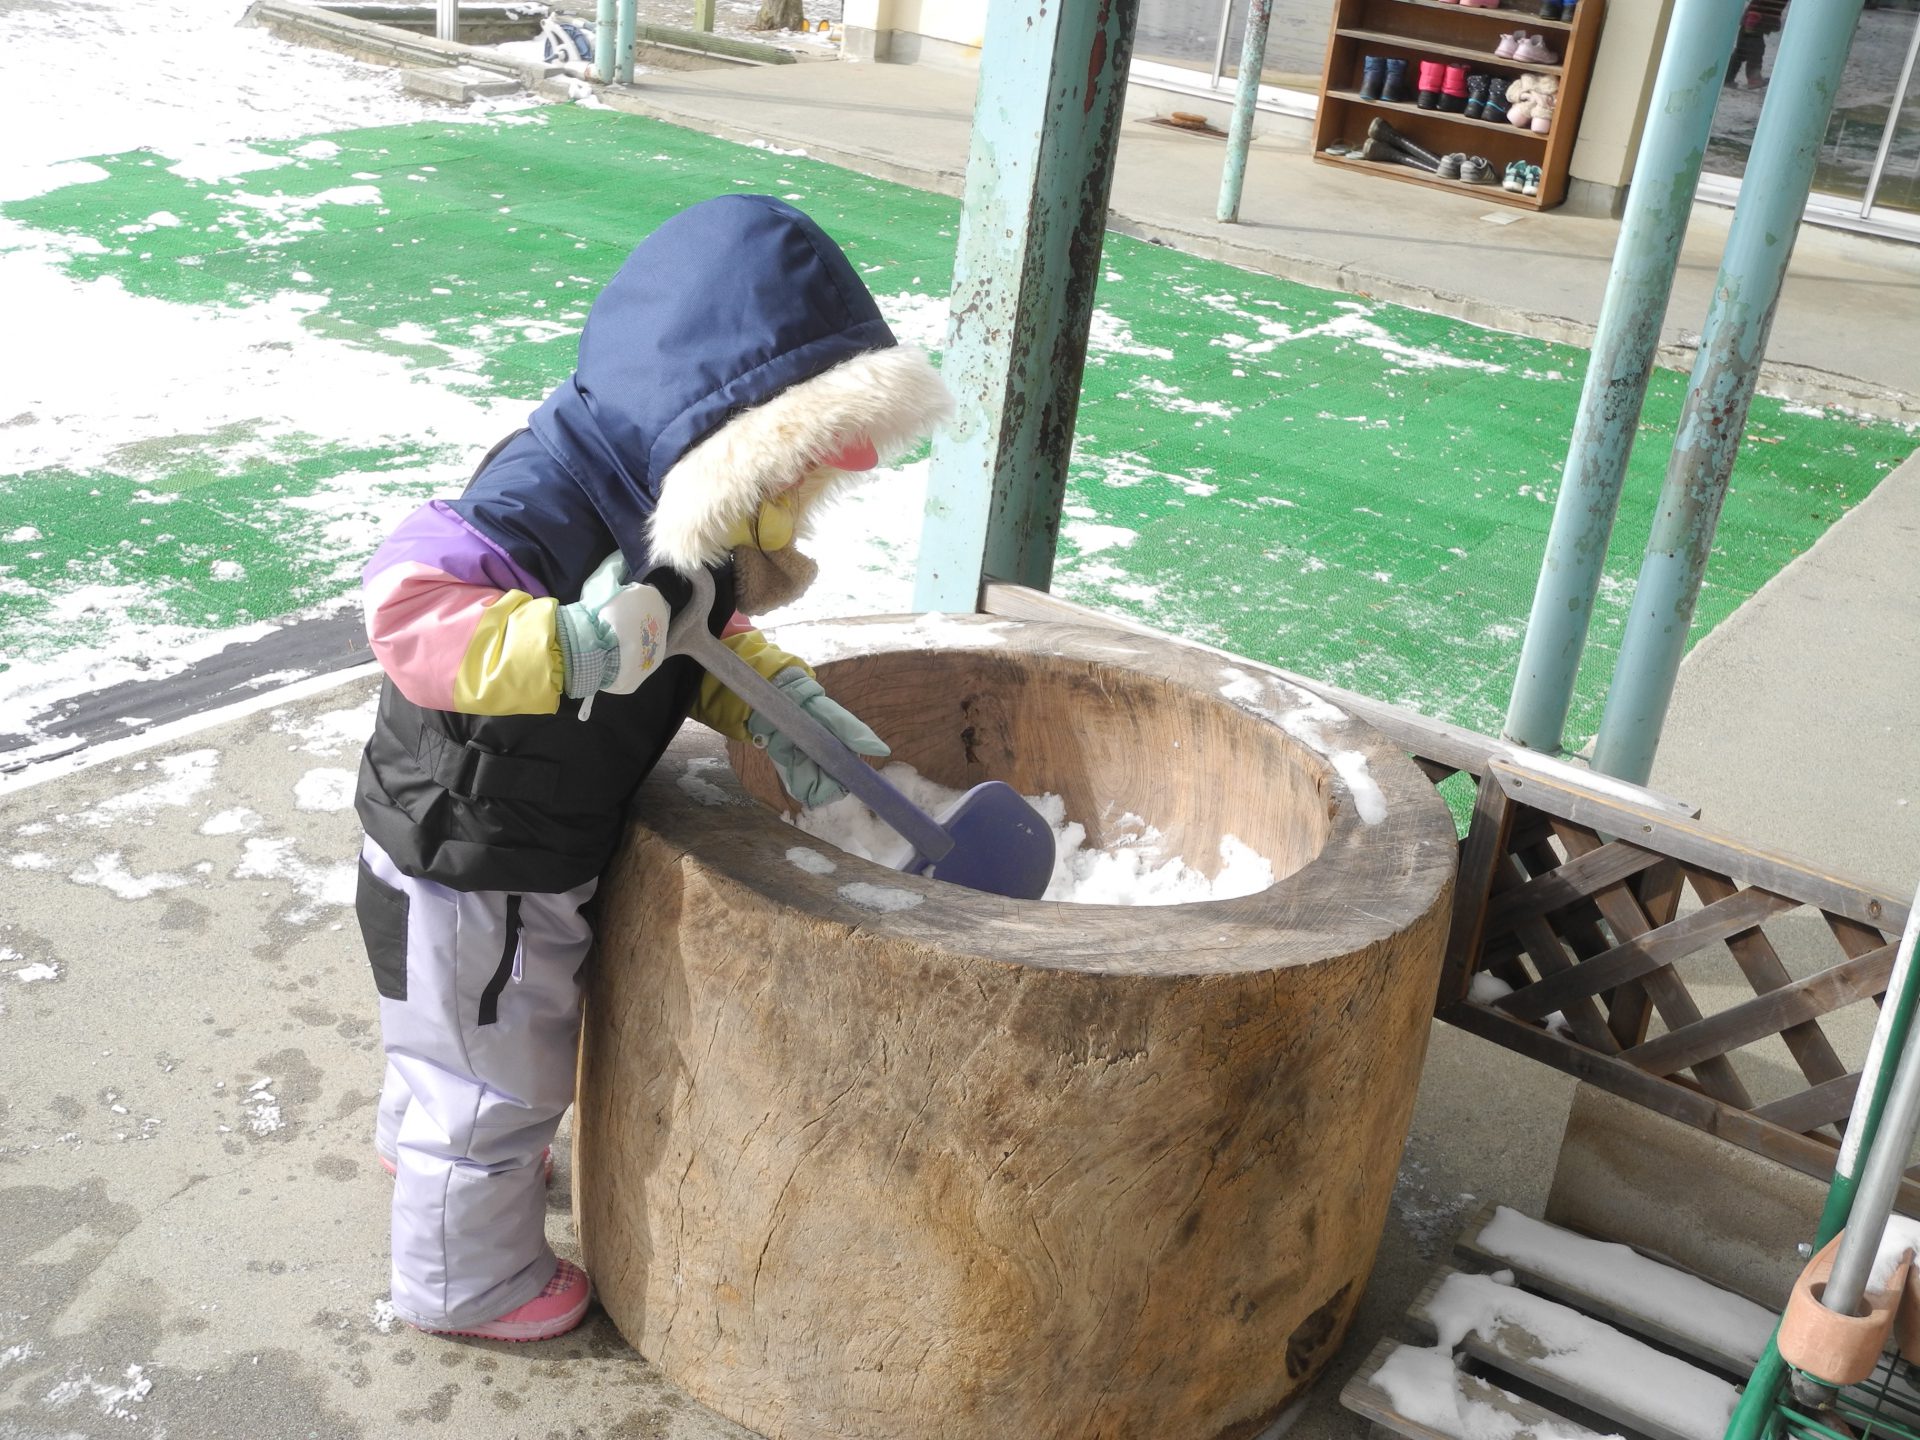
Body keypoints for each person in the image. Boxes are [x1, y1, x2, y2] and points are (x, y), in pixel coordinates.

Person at [352, 194, 953, 1341]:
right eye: (799, 472)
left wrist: (782, 708)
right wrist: (570, 644)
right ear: (733, 435)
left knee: (455, 1038)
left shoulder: (685, 513)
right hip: (483, 844)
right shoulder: (550, 496)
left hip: (516, 829)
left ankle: (423, 1153)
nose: (806, 498)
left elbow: (693, 637)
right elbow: (407, 608)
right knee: (498, 1080)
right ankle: (465, 1281)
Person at [1728, 0, 1787, 89]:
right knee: (1755, 51)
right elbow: (1758, 5)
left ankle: (1727, 78)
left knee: (1741, 53)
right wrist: (1752, 20)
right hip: (1753, 25)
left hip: (1753, 24)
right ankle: (1753, 78)